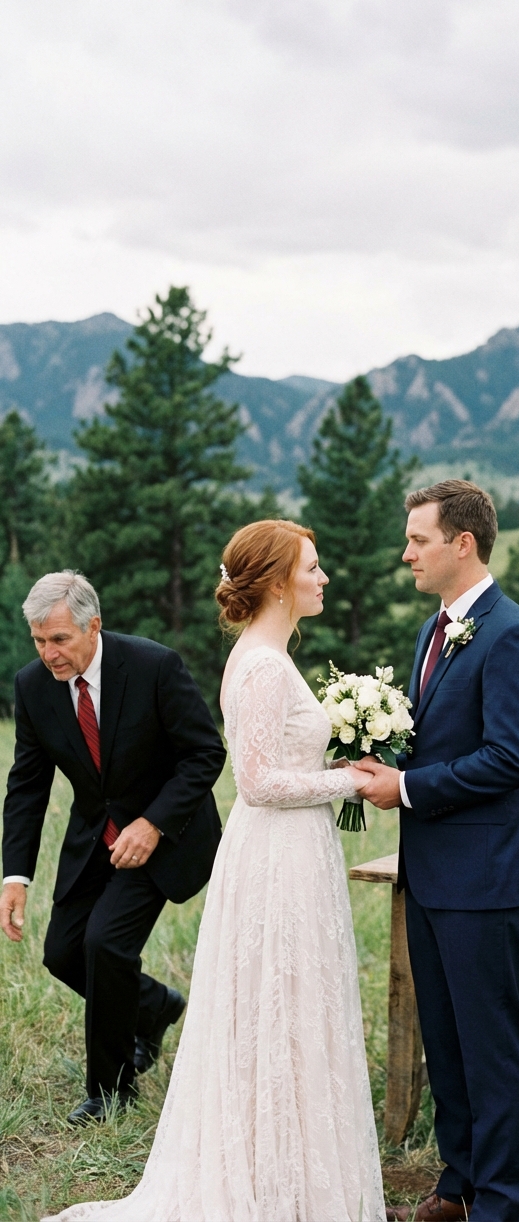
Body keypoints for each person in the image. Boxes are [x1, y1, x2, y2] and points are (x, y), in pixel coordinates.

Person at [39, 520, 387, 1222]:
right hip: (276, 855)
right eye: (313, 568)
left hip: (298, 850)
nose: (323, 579)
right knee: (276, 1002)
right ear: (280, 581)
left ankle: (289, 1162)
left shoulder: (268, 655)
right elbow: (257, 782)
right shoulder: (260, 664)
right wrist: (349, 781)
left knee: (291, 1005)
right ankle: (265, 1174)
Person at [357, 480, 519, 1222]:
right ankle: (459, 1181)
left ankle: (502, 1203)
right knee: (444, 1038)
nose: (406, 552)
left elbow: (508, 760)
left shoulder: (512, 634)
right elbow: (435, 736)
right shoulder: (433, 630)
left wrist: (404, 787)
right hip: (430, 876)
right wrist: (364, 751)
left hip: (486, 879)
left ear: (461, 544)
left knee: (489, 1047)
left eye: (418, 540)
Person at [1, 570, 226, 1124]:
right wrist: (14, 877)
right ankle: (154, 1008)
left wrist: (152, 824)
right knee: (61, 953)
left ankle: (110, 1089)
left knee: (105, 944)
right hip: (94, 840)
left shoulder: (153, 666)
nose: (48, 653)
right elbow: (28, 787)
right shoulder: (33, 687)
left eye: (59, 639)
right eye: (39, 640)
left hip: (163, 836)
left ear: (93, 626)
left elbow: (204, 754)